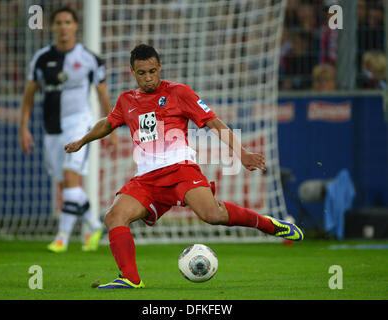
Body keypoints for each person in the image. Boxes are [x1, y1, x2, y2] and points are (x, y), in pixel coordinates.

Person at [64, 44, 304, 289]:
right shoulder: (127, 100)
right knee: (114, 216)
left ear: (160, 68)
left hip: (180, 171)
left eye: (152, 71)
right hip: (146, 179)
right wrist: (82, 141)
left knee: (212, 215)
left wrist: (242, 154)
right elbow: (108, 123)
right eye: (141, 73)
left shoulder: (179, 92)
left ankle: (270, 225)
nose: (148, 78)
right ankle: (130, 279)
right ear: (132, 72)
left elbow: (214, 123)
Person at [19, 7, 117, 253]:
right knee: (66, 186)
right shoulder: (41, 58)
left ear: (75, 26)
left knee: (71, 178)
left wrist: (111, 127)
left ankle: (62, 237)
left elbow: (102, 94)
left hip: (79, 123)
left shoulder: (88, 58)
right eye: (59, 22)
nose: (63, 26)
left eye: (68, 22)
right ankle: (94, 225)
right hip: (51, 128)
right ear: (52, 27)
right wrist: (23, 127)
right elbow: (29, 94)